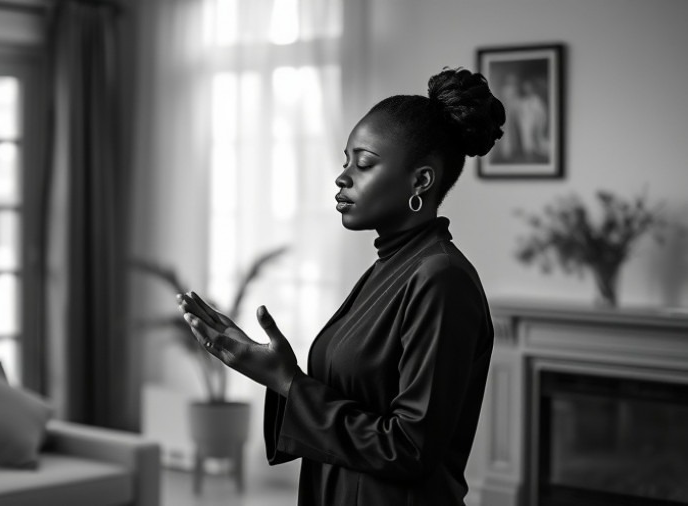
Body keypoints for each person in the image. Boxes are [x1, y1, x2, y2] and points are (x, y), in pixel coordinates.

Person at [176, 67, 505, 505]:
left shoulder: (442, 279)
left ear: (420, 181)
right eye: (345, 160)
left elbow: (410, 447)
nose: (343, 176)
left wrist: (288, 382)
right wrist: (272, 373)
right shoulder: (389, 267)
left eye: (364, 163)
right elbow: (353, 402)